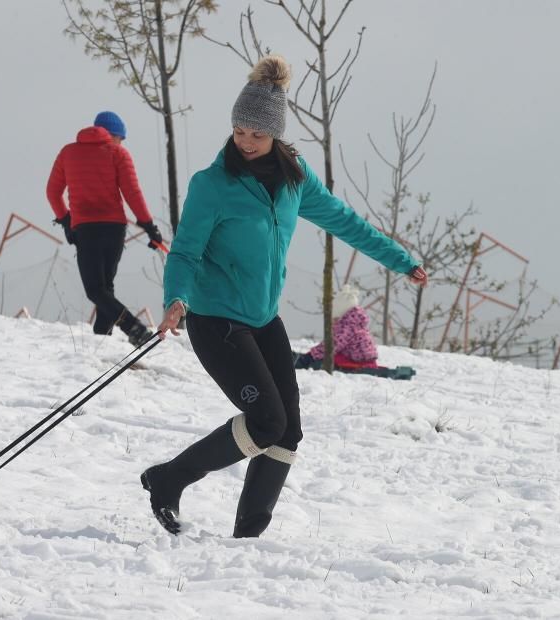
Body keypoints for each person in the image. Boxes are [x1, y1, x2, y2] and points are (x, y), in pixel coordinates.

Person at [141, 55, 429, 537]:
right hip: (216, 321)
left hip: (263, 320)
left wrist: (400, 259)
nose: (246, 142)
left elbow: (345, 221)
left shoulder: (294, 179)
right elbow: (186, 252)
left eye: (257, 133)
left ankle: (248, 536)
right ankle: (169, 479)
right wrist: (176, 299)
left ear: (275, 133)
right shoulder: (212, 185)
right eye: (239, 131)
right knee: (266, 419)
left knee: (287, 431)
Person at [46, 111, 164, 346]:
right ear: (113, 135)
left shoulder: (68, 153)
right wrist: (149, 226)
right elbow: (132, 193)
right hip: (114, 229)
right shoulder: (118, 153)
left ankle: (128, 331)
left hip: (85, 230)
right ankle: (111, 336)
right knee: (102, 289)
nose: (121, 143)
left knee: (97, 290)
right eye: (120, 138)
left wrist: (66, 221)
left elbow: (52, 192)